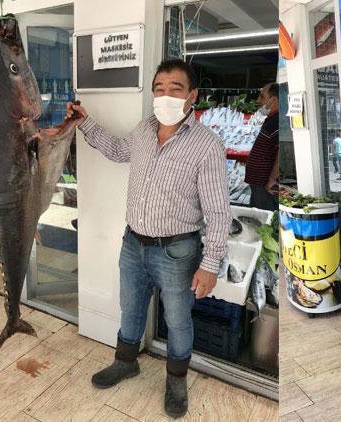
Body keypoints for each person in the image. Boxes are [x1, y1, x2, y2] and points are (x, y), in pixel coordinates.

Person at [65, 59, 230, 418]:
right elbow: (116, 149)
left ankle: (175, 381)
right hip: (133, 243)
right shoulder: (143, 131)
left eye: (176, 89)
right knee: (131, 307)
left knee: (178, 320)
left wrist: (210, 264)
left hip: (178, 251)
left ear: (193, 96)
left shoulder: (206, 145)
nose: (165, 95)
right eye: (159, 89)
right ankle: (126, 362)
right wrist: (85, 121)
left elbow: (218, 212)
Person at [244, 82, 279, 211]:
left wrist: (272, 179)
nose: (258, 100)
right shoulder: (271, 119)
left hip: (265, 186)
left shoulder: (277, 122)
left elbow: (279, 154)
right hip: (258, 184)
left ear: (273, 99)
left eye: (262, 96)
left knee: (263, 218)